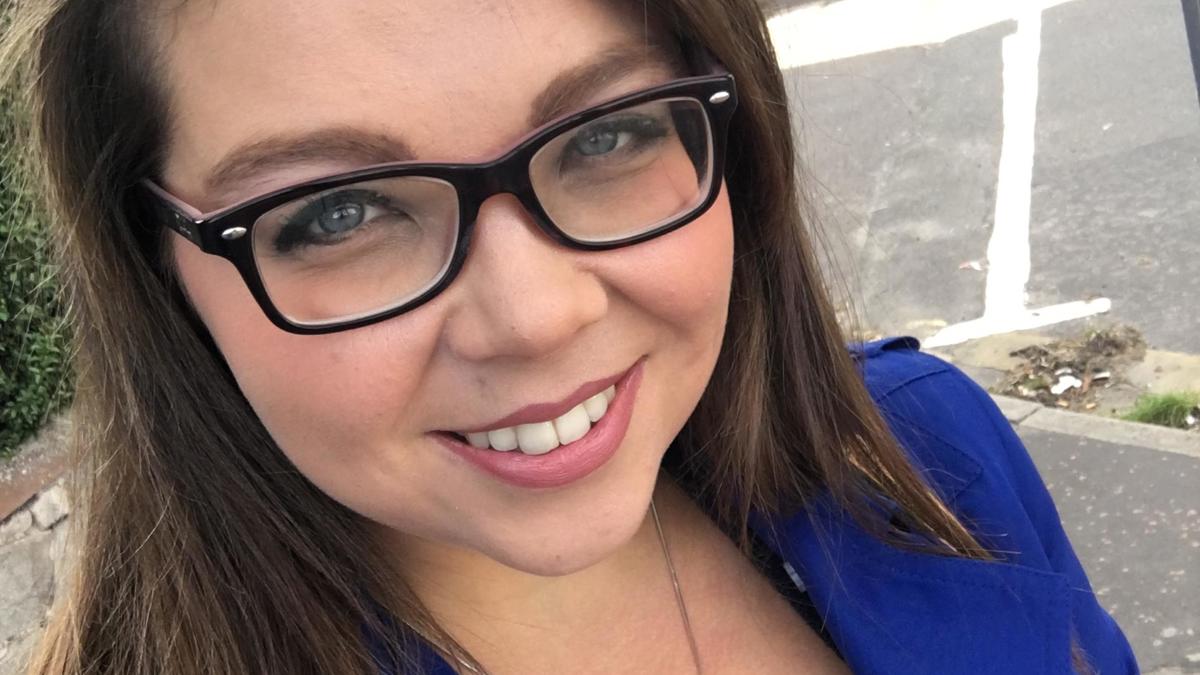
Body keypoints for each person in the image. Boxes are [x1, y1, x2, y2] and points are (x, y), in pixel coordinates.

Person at [1, 0, 1137, 673]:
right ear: (155, 274)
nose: (538, 316)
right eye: (337, 212)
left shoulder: (925, 453)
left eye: (609, 137)